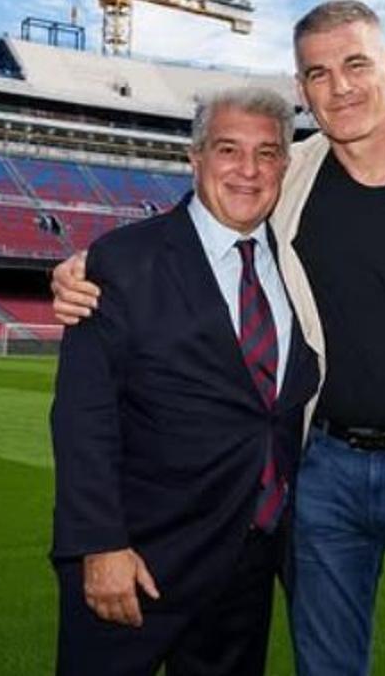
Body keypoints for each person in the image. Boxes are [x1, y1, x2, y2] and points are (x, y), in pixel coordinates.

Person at [52, 0, 385, 676]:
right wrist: (91, 265)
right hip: (323, 473)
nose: (341, 87)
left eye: (356, 64)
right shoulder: (290, 170)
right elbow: (208, 211)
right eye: (319, 73)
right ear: (301, 88)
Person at [49, 86, 319, 676]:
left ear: (284, 166)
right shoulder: (121, 260)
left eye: (267, 153)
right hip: (139, 559)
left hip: (248, 562)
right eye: (228, 150)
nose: (248, 170)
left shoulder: (299, 265)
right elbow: (83, 416)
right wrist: (99, 544)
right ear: (195, 159)